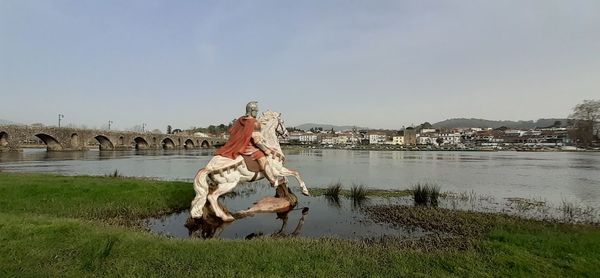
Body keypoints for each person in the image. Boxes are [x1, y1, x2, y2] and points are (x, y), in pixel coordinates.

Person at [215, 101, 277, 186]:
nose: (257, 111)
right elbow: (257, 142)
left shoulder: (240, 120)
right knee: (262, 158)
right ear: (252, 110)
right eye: (256, 110)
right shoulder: (254, 122)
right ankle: (272, 180)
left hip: (238, 146)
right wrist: (266, 150)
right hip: (249, 148)